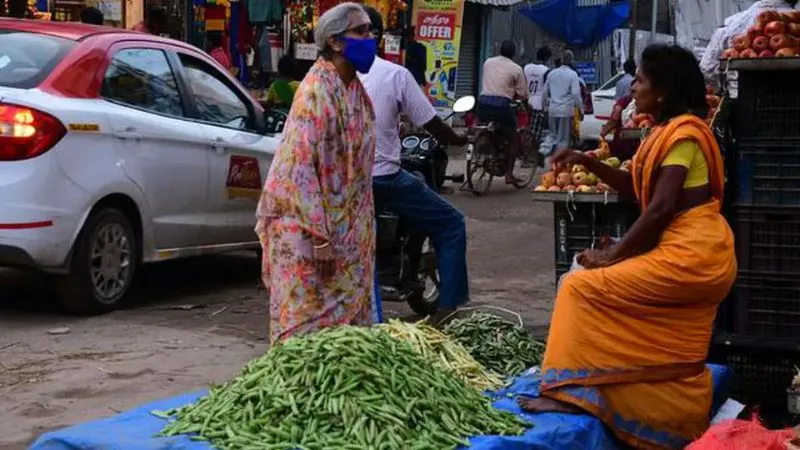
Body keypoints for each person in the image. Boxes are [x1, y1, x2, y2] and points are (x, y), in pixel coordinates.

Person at [518, 44, 736, 449]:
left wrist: (613, 255)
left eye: (640, 80)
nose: (633, 87)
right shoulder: (662, 133)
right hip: (683, 247)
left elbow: (660, 209)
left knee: (579, 288)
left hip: (693, 255)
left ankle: (566, 394)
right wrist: (587, 161)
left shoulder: (685, 135)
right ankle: (610, 389)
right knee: (587, 281)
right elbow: (633, 186)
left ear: (664, 90)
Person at [254, 2, 378, 344]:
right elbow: (298, 168)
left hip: (345, 233)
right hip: (308, 231)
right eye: (361, 31)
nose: (371, 38)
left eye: (371, 31)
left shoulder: (353, 90)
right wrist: (321, 238)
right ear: (335, 42)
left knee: (346, 342)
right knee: (307, 335)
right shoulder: (315, 93)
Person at [360, 6, 469, 323]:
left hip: (348, 181)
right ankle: (448, 307)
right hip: (383, 177)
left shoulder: (325, 77)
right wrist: (458, 139)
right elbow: (433, 123)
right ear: (378, 36)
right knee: (451, 224)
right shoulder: (394, 74)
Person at [477, 40, 528, 184]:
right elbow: (522, 93)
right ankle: (509, 174)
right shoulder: (516, 69)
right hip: (501, 106)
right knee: (513, 135)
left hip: (483, 104)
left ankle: (490, 150)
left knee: (485, 127)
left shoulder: (488, 62)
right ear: (513, 53)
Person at [539, 50, 582, 164]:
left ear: (562, 60)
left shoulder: (552, 74)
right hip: (565, 111)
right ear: (571, 61)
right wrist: (581, 109)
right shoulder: (573, 74)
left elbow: (544, 93)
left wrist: (543, 107)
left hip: (552, 110)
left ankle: (543, 151)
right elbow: (576, 94)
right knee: (563, 139)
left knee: (552, 135)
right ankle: (558, 163)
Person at [524, 46, 551, 152]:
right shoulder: (546, 71)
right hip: (538, 104)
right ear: (547, 58)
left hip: (526, 102)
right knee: (536, 132)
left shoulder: (526, 68)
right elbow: (547, 89)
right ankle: (532, 154)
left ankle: (523, 151)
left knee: (525, 128)